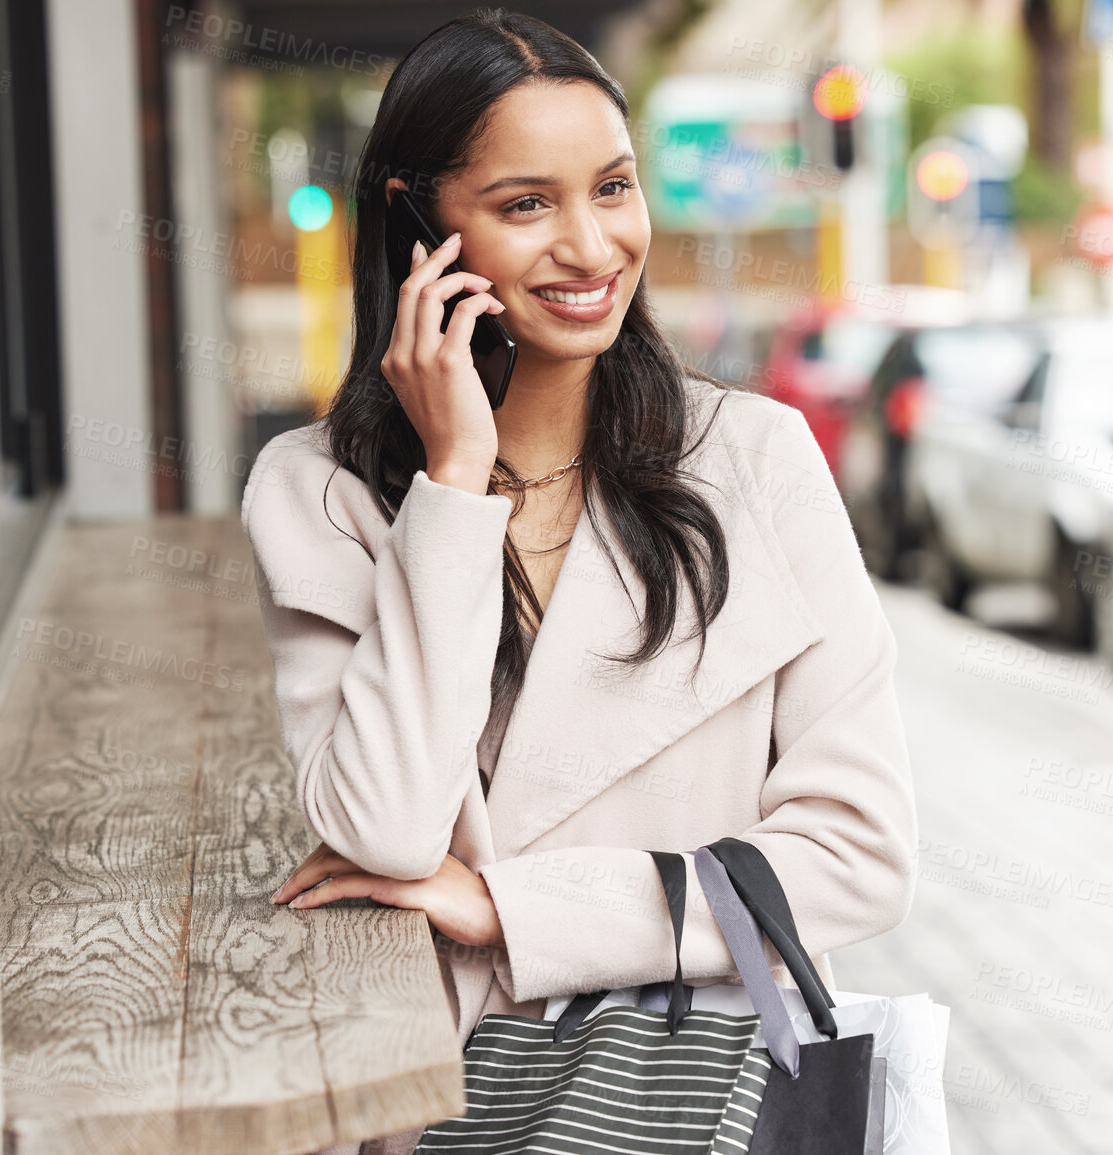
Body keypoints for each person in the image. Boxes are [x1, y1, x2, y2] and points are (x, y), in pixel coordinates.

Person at [239, 9, 919, 1153]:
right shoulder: (321, 494)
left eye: (612, 187)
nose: (593, 247)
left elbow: (860, 854)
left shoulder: (753, 460)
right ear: (417, 225)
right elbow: (387, 828)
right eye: (525, 205)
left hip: (695, 1092)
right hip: (446, 1097)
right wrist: (453, 483)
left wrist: (514, 911)